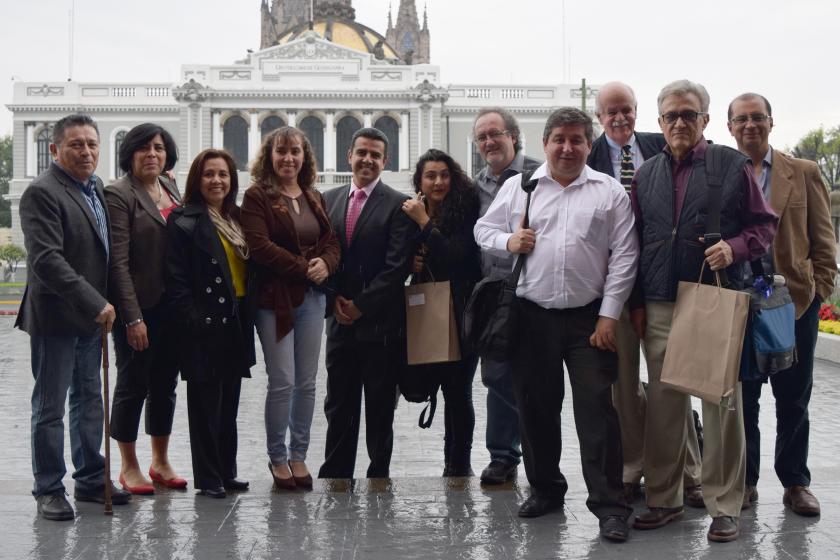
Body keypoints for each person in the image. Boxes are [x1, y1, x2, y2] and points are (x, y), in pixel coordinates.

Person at [474, 107, 638, 542]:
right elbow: (482, 229)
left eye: (577, 139)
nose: (568, 147)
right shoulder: (519, 188)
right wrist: (509, 240)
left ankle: (609, 505)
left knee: (597, 413)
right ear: (544, 143)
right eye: (559, 139)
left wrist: (609, 315)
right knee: (536, 409)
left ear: (589, 144)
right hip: (532, 317)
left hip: (590, 321)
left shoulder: (608, 192)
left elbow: (625, 256)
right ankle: (546, 490)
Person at [630, 80, 777, 542]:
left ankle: (725, 505)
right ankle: (664, 498)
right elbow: (633, 243)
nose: (679, 122)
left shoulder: (731, 165)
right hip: (658, 301)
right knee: (664, 406)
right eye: (671, 115)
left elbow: (764, 226)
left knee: (720, 406)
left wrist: (733, 249)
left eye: (688, 114)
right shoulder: (646, 172)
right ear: (659, 122)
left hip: (713, 300)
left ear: (705, 121)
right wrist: (635, 302)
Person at [588, 81, 703, 507]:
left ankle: (691, 471)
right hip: (611, 292)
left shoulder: (665, 145)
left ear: (638, 112)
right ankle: (632, 468)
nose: (619, 118)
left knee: (673, 382)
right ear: (598, 116)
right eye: (610, 111)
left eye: (626, 109)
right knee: (624, 387)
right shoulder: (589, 156)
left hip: (663, 288)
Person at [17, 113, 130, 520]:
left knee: (89, 401)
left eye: (92, 144)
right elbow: (47, 260)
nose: (86, 151)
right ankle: (48, 487)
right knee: (50, 407)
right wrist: (94, 302)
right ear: (55, 149)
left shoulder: (95, 187)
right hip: (56, 318)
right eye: (76, 144)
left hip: (92, 319)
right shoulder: (41, 193)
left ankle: (89, 479)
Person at [728, 92, 835, 516]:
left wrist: (818, 291)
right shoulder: (722, 173)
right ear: (730, 127)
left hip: (793, 304)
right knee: (744, 400)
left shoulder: (803, 172)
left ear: (771, 122)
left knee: (794, 397)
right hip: (740, 304)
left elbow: (824, 241)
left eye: (758, 118)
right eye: (742, 119)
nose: (750, 125)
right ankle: (746, 482)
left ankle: (795, 482)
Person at [241, 127, 340, 490]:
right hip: (275, 302)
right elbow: (259, 245)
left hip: (312, 301)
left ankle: (299, 454)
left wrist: (327, 264)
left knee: (308, 383)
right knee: (282, 381)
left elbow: (331, 239)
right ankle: (278, 457)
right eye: (281, 151)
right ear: (269, 156)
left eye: (295, 151)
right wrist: (304, 268)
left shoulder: (314, 196)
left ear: (304, 156)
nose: (288, 158)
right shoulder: (257, 197)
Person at [318, 127, 415, 479]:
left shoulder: (397, 203)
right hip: (339, 323)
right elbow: (318, 256)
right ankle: (336, 472)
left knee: (379, 404)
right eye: (362, 152)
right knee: (338, 402)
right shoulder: (326, 200)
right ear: (350, 156)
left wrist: (361, 305)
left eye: (375, 155)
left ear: (385, 161)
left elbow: (396, 267)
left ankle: (378, 472)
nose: (367, 160)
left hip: (381, 324)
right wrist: (334, 300)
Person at [165, 149, 255, 498]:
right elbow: (176, 279)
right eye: (209, 174)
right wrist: (194, 320)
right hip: (203, 322)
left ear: (232, 181)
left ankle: (226, 470)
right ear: (196, 180)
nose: (216, 180)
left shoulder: (236, 217)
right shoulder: (183, 219)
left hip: (236, 319)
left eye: (223, 174)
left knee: (229, 402)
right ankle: (209, 476)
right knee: (205, 404)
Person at [105, 123, 186, 495]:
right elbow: (117, 264)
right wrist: (132, 317)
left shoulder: (170, 186)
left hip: (172, 307)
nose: (152, 153)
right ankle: (128, 465)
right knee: (132, 385)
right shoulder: (119, 194)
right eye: (143, 147)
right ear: (129, 153)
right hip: (137, 309)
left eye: (158, 147)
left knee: (165, 386)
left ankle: (160, 460)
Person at [401, 149, 482, 476]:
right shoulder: (408, 213)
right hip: (427, 312)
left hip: (462, 314)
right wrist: (412, 259)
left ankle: (458, 465)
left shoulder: (464, 213)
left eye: (444, 175)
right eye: (430, 175)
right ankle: (452, 461)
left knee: (458, 391)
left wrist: (424, 221)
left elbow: (455, 256)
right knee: (430, 385)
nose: (438, 182)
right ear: (419, 180)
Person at [471, 107, 541, 485]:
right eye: (482, 137)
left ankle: (538, 457)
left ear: (513, 136)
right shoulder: (475, 185)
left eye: (495, 134)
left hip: (534, 291)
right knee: (496, 377)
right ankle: (503, 456)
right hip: (493, 295)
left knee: (534, 379)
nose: (489, 142)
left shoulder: (539, 175)